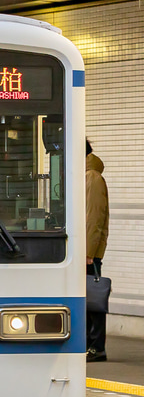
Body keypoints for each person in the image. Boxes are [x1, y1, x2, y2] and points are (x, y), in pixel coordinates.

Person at [87, 140, 109, 362]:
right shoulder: (84, 174)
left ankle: (96, 347)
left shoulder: (92, 178)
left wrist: (89, 251)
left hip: (88, 252)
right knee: (87, 299)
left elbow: (93, 218)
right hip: (85, 249)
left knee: (93, 299)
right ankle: (89, 344)